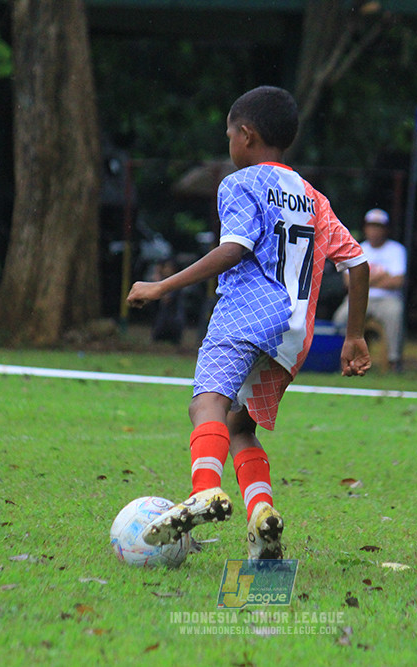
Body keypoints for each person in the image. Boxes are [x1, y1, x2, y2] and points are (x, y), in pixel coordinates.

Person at [126, 86, 371, 560]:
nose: (228, 144)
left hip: (246, 315)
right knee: (240, 426)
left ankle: (204, 491)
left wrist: (161, 286)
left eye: (228, 135)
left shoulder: (239, 183)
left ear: (246, 134)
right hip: (294, 333)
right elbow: (356, 263)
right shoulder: (313, 197)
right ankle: (262, 516)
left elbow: (234, 248)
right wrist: (355, 335)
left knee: (207, 404)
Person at [331, 207, 407, 371]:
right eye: (372, 226)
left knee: (395, 313)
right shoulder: (357, 247)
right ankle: (341, 359)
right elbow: (348, 283)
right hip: (358, 298)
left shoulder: (397, 250)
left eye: (379, 226)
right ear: (366, 228)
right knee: (339, 317)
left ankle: (394, 360)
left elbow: (397, 281)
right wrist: (382, 276)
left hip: (387, 298)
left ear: (386, 229)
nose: (375, 230)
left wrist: (363, 280)